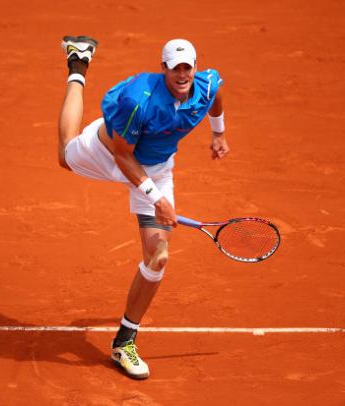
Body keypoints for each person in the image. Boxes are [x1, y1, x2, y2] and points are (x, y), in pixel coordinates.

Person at [57, 35, 229, 379]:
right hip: (108, 153)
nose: (182, 75)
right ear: (162, 68)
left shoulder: (206, 84)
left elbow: (216, 99)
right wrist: (157, 199)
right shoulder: (140, 100)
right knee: (64, 155)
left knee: (158, 256)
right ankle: (78, 65)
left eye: (187, 67)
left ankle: (124, 341)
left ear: (195, 67)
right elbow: (123, 156)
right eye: (175, 68)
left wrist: (218, 133)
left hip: (156, 168)